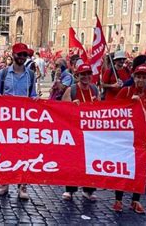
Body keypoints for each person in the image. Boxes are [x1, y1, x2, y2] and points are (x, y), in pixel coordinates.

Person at [0, 42, 37, 200]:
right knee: (5, 152)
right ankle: (4, 183)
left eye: (24, 55)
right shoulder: (3, 74)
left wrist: (36, 101)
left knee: (23, 154)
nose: (22, 58)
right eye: (19, 54)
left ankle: (22, 185)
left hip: (24, 121)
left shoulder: (31, 75)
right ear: (13, 55)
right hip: (6, 121)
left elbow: (33, 95)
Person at [113, 65, 146, 214]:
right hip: (125, 137)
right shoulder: (125, 91)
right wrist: (131, 103)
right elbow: (114, 111)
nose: (141, 79)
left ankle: (135, 200)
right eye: (138, 76)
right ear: (134, 77)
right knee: (122, 168)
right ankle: (118, 199)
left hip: (142, 137)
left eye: (144, 77)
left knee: (140, 170)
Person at [61, 63, 99, 201]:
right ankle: (70, 190)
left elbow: (101, 110)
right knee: (73, 161)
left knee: (90, 161)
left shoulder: (94, 90)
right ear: (77, 76)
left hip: (90, 133)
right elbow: (62, 111)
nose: (86, 77)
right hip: (74, 131)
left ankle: (89, 190)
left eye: (88, 74)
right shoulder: (71, 90)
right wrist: (72, 106)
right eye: (83, 74)